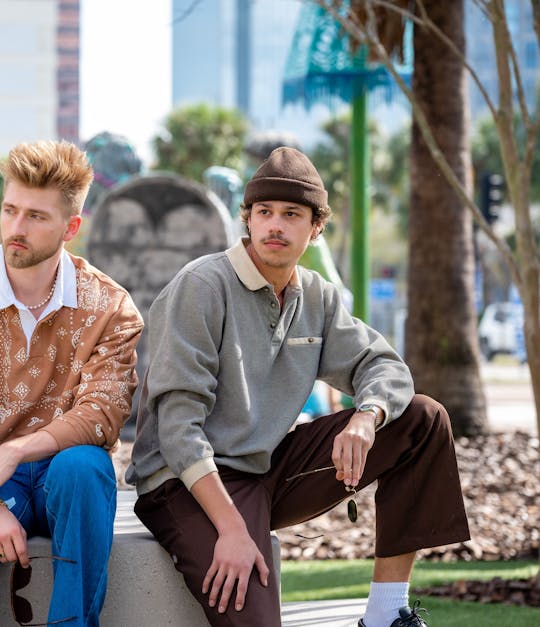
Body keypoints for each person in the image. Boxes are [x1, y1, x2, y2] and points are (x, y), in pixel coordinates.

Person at [126, 147, 470, 627]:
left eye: (291, 215)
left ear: (316, 228)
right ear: (247, 219)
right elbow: (178, 427)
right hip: (183, 483)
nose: (275, 226)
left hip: (266, 466)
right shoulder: (202, 286)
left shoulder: (317, 296)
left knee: (421, 419)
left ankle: (385, 615)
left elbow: (383, 365)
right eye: (264, 213)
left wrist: (367, 417)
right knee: (252, 611)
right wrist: (231, 530)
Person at [0, 139, 143, 626]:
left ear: (71, 227)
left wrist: (14, 452)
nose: (16, 229)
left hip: (64, 476)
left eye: (36, 217)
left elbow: (101, 416)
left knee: (84, 467)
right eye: (10, 210)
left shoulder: (110, 307)